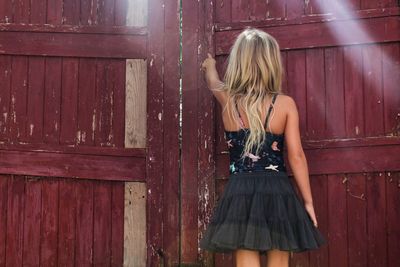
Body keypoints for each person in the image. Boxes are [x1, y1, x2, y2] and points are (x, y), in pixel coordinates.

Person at [199, 28, 327, 267]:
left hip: (240, 194)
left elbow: (212, 80)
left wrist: (209, 65)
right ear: (271, 63)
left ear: (239, 62)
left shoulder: (227, 99)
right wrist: (308, 202)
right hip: (278, 193)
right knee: (279, 259)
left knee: (246, 255)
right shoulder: (285, 104)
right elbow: (296, 156)